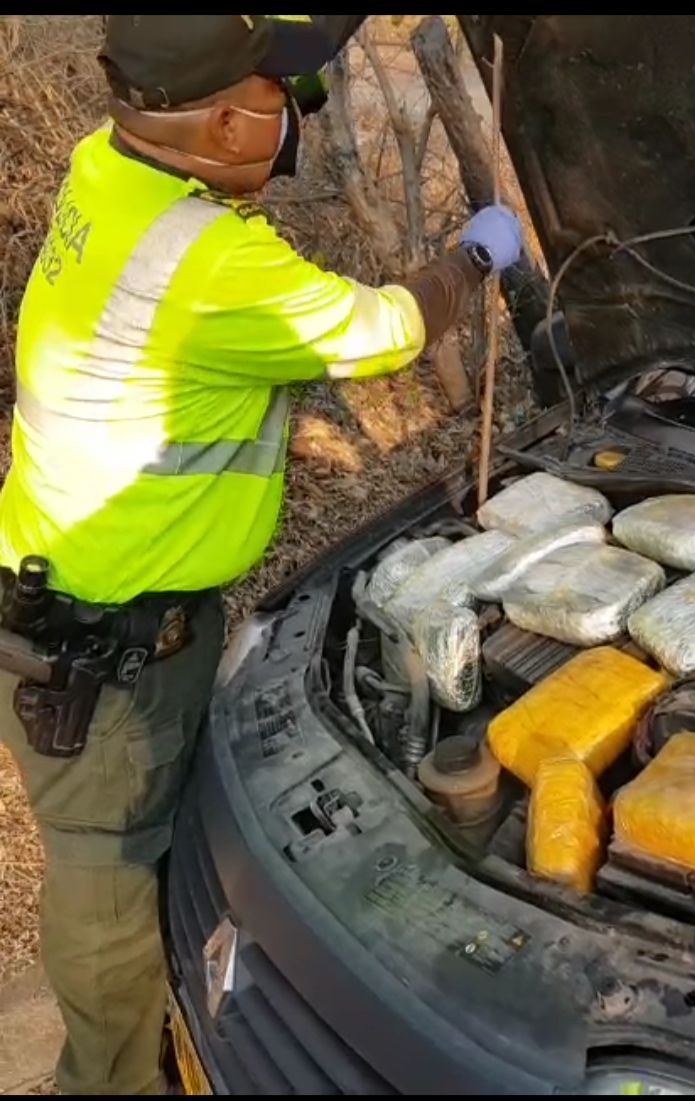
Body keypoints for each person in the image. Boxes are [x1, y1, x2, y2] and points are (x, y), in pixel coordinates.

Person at [0, 14, 522, 1096]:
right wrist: (474, 258)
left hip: (103, 607)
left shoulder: (112, 167)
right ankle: (110, 1085)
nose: (298, 109)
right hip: (104, 650)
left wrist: (290, 93)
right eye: (279, 91)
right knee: (107, 877)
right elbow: (383, 331)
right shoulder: (210, 263)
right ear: (228, 119)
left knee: (138, 855)